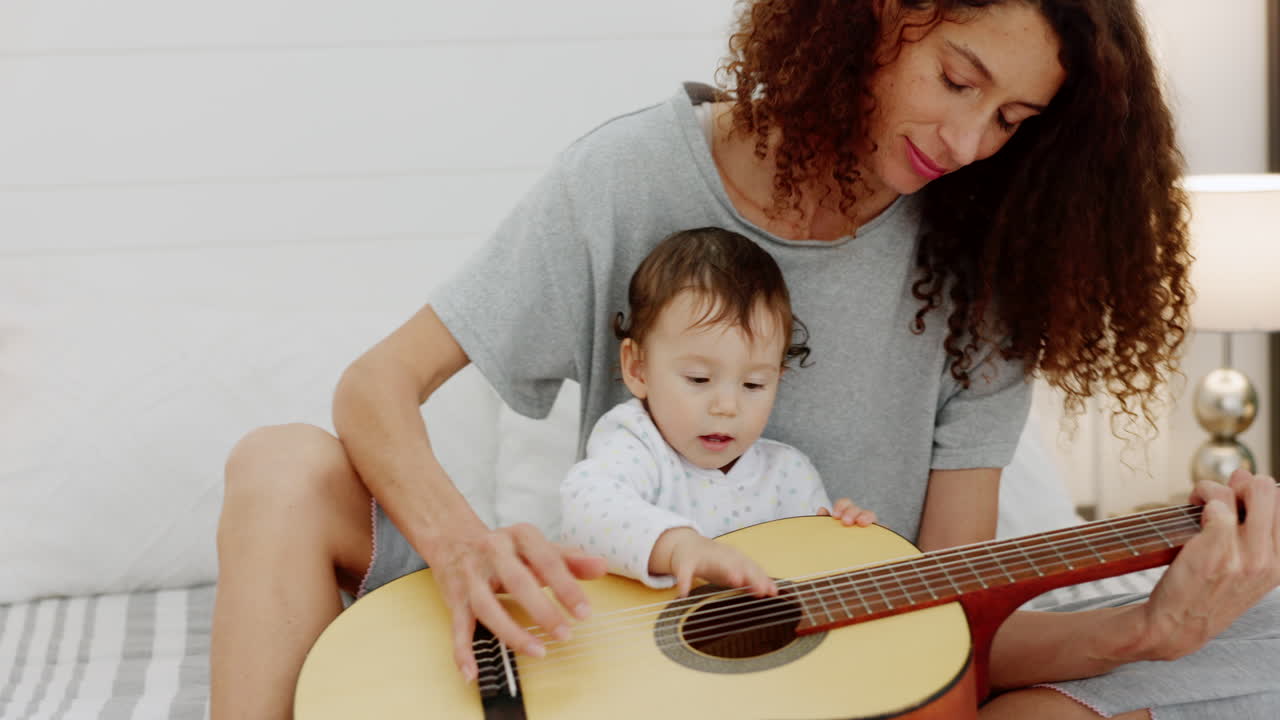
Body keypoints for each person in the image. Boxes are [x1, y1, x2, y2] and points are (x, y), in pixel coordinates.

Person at [211, 1, 1280, 718]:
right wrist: (457, 546)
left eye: (1008, 119)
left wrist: (1147, 626)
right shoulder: (629, 176)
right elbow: (375, 385)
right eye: (955, 79)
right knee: (280, 467)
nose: (964, 144)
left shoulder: (980, 263)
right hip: (606, 635)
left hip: (841, 671)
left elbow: (952, 632)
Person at [560, 227, 876, 598]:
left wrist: (841, 543)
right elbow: (585, 512)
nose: (727, 407)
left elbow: (807, 587)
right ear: (638, 369)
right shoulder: (636, 443)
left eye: (754, 384)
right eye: (699, 378)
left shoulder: (788, 475)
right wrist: (680, 548)